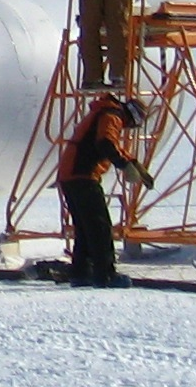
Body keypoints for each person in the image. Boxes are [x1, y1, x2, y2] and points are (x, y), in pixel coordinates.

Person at [60, 95, 148, 286]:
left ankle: (81, 272)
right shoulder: (112, 115)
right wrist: (124, 165)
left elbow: (111, 144)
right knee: (99, 228)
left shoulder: (104, 112)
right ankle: (105, 275)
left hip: (70, 175)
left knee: (85, 228)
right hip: (83, 175)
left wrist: (133, 163)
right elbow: (106, 143)